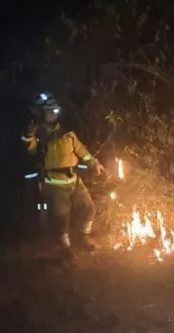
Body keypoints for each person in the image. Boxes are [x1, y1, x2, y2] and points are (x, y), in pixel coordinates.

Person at [22, 92, 103, 253]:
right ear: (40, 113)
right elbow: (29, 149)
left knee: (89, 208)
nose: (53, 113)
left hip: (74, 180)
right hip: (54, 184)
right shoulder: (37, 135)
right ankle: (65, 248)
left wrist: (94, 163)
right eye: (49, 111)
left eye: (55, 111)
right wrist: (29, 134)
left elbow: (82, 151)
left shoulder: (67, 133)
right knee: (62, 219)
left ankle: (83, 237)